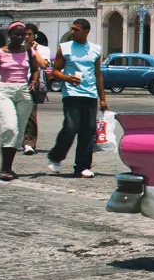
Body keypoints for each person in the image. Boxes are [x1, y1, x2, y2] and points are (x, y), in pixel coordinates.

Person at [46, 19, 108, 179]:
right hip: (72, 94)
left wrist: (102, 98)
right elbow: (55, 72)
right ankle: (56, 157)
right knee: (71, 127)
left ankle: (82, 166)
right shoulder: (64, 48)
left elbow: (98, 75)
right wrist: (67, 78)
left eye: (76, 29)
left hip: (90, 94)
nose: (72, 32)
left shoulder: (95, 49)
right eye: (72, 29)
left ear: (86, 31)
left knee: (88, 131)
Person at [0, 22, 41, 181]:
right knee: (10, 128)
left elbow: (35, 70)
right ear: (9, 35)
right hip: (5, 91)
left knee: (20, 132)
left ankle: (8, 167)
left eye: (24, 34)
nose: (21, 37)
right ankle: (4, 168)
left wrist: (34, 81)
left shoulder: (29, 51)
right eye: (17, 34)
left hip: (24, 92)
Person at [22, 23, 51, 155]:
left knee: (31, 114)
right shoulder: (18, 49)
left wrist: (33, 51)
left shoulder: (43, 49)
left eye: (29, 34)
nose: (27, 37)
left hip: (32, 84)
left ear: (35, 35)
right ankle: (21, 139)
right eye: (25, 34)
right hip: (17, 83)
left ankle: (29, 142)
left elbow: (44, 64)